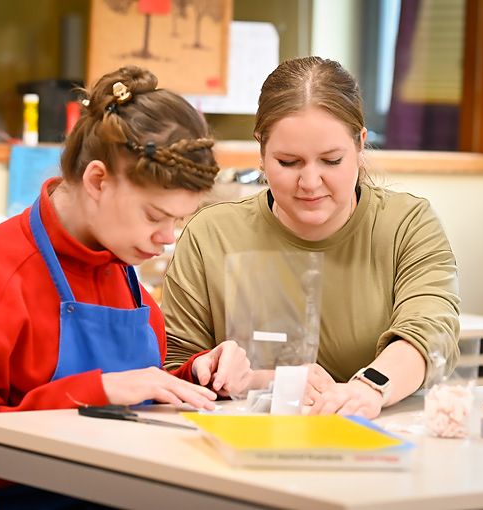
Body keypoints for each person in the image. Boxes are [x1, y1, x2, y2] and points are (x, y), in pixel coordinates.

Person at [0, 66, 251, 510]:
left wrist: (194, 377)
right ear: (98, 180)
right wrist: (94, 392)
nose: (168, 238)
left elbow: (130, 395)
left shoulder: (120, 266)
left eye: (177, 220)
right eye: (155, 216)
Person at [162, 56, 460, 419]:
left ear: (360, 144)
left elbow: (430, 332)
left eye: (331, 161)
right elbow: (176, 366)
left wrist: (369, 388)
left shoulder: (406, 224)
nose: (310, 182)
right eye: (288, 162)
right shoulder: (212, 235)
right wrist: (230, 373)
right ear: (261, 152)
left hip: (382, 434)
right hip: (245, 442)